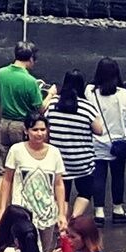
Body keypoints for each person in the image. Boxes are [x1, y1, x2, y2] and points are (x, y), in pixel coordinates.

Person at [0, 110, 68, 241]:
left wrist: (62, 213)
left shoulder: (54, 153)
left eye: (42, 129)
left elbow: (58, 184)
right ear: (26, 131)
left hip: (47, 213)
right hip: (22, 212)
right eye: (35, 130)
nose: (39, 134)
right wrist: (2, 208)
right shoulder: (16, 150)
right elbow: (7, 180)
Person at [45, 71, 99, 212]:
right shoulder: (87, 107)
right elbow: (99, 130)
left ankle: (62, 220)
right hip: (82, 162)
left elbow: (45, 124)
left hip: (59, 161)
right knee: (85, 192)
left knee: (62, 194)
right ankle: (75, 219)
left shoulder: (53, 105)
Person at [90, 60, 126, 221]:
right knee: (118, 176)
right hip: (119, 143)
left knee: (99, 177)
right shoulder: (123, 94)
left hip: (96, 142)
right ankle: (118, 209)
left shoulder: (90, 91)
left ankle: (99, 212)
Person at [0, 41, 47, 166]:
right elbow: (40, 109)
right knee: (22, 164)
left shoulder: (0, 73)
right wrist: (50, 94)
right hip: (21, 126)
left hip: (4, 123)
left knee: (4, 166)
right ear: (30, 58)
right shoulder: (30, 81)